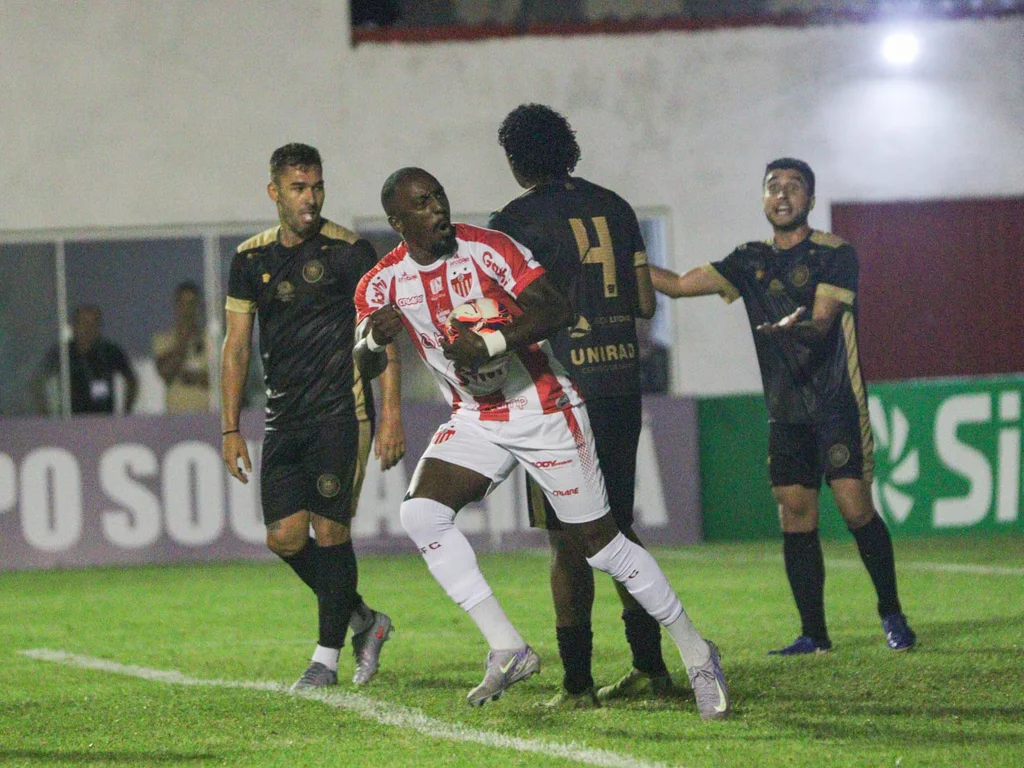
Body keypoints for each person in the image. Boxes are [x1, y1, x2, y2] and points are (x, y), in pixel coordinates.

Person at [354, 167, 730, 719]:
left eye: (439, 195)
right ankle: (508, 648)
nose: (437, 207)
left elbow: (557, 309)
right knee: (421, 515)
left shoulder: (488, 249)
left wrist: (491, 341)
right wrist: (373, 338)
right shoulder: (381, 283)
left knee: (601, 546)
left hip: (543, 406)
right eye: (422, 202)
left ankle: (699, 655)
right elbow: (361, 361)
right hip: (476, 416)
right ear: (397, 220)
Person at [651, 157, 917, 655]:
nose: (783, 194)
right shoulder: (748, 260)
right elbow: (681, 286)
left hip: (837, 400)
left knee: (854, 506)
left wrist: (797, 322)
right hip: (785, 411)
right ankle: (814, 634)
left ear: (810, 201)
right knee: (795, 514)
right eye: (773, 186)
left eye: (794, 187)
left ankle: (892, 614)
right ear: (763, 198)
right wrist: (626, 263)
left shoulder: (835, 254)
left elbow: (821, 323)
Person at [486, 104, 673, 708]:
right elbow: (644, 302)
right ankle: (650, 666)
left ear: (516, 160)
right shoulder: (616, 207)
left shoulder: (514, 221)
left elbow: (510, 314)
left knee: (568, 542)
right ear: (568, 147)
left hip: (562, 394)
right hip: (620, 381)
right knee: (617, 528)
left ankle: (577, 685)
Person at [221, 143, 404, 691]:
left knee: (330, 532)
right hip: (283, 417)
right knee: (283, 538)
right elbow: (235, 348)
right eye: (298, 188)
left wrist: (391, 412)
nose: (310, 198)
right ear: (274, 192)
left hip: (341, 411)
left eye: (317, 187)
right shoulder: (249, 259)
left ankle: (324, 660)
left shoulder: (350, 252)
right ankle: (364, 621)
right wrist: (230, 427)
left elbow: (385, 335)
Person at [35, 304, 138, 415]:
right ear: (74, 325)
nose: (88, 329)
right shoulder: (62, 353)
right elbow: (37, 382)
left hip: (105, 421)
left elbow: (132, 381)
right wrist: (44, 413)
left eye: (94, 324)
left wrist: (126, 411)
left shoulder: (110, 351)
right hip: (70, 421)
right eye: (84, 324)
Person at [153, 281, 211, 413]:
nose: (187, 310)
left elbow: (222, 381)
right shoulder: (163, 340)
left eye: (192, 304)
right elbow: (165, 373)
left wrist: (195, 378)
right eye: (183, 304)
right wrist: (182, 342)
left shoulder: (212, 340)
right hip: (176, 416)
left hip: (208, 414)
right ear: (176, 306)